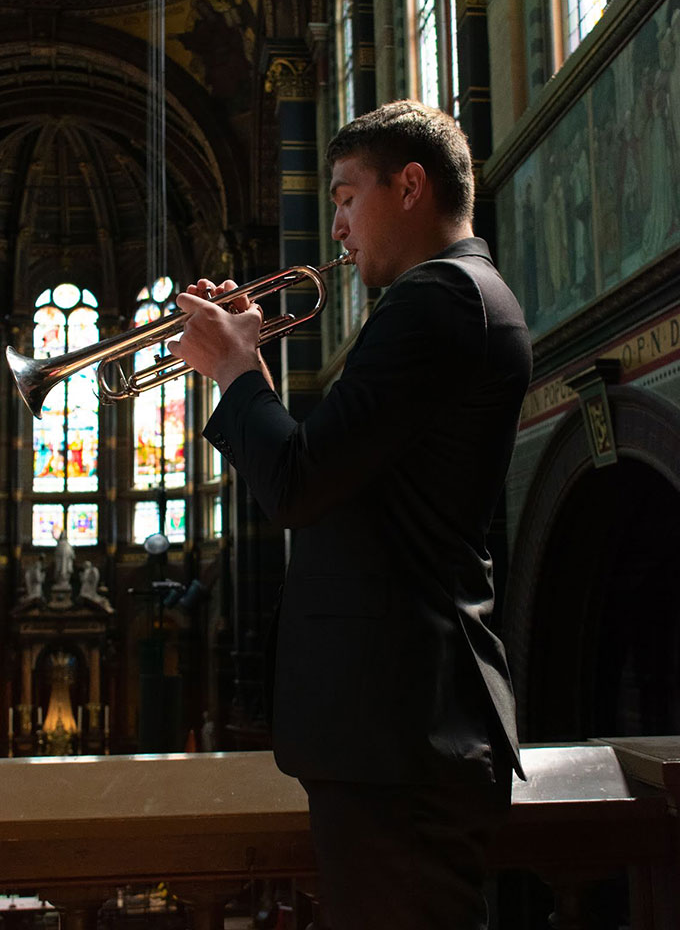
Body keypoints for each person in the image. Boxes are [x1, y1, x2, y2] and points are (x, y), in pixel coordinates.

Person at [168, 100, 532, 930]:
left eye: (344, 196)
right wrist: (244, 360)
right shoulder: (456, 298)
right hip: (401, 729)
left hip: (399, 734)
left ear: (410, 186)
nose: (335, 226)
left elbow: (297, 484)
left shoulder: (436, 302)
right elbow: (340, 470)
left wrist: (234, 372)